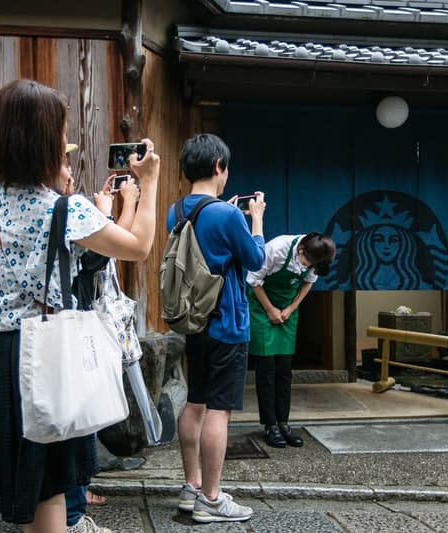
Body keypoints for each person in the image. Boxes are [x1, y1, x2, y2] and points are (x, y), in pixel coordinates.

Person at [0, 79, 160, 532]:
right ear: (45, 143)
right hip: (44, 355)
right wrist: (149, 181)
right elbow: (139, 246)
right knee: (46, 481)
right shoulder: (66, 210)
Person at [166, 133, 265, 524]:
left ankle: (190, 486)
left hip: (194, 321)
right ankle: (210, 497)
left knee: (195, 401)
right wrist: (254, 219)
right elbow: (255, 258)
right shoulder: (228, 214)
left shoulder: (178, 211)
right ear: (219, 167)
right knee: (219, 412)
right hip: (227, 321)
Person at [59, 145, 139, 533]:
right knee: (78, 423)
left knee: (72, 425)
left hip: (46, 334)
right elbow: (112, 251)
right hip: (70, 331)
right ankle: (72, 513)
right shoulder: (65, 211)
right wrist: (124, 205)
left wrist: (105, 211)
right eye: (63, 162)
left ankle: (72, 501)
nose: (70, 171)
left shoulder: (62, 208)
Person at [247, 232, 335, 448]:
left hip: (287, 310)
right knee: (266, 370)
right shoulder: (277, 249)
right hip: (262, 308)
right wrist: (270, 310)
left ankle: (284, 423)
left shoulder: (317, 255)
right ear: (300, 250)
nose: (307, 267)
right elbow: (253, 280)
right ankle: (270, 425)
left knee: (285, 370)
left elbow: (307, 283)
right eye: (307, 262)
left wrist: (290, 308)